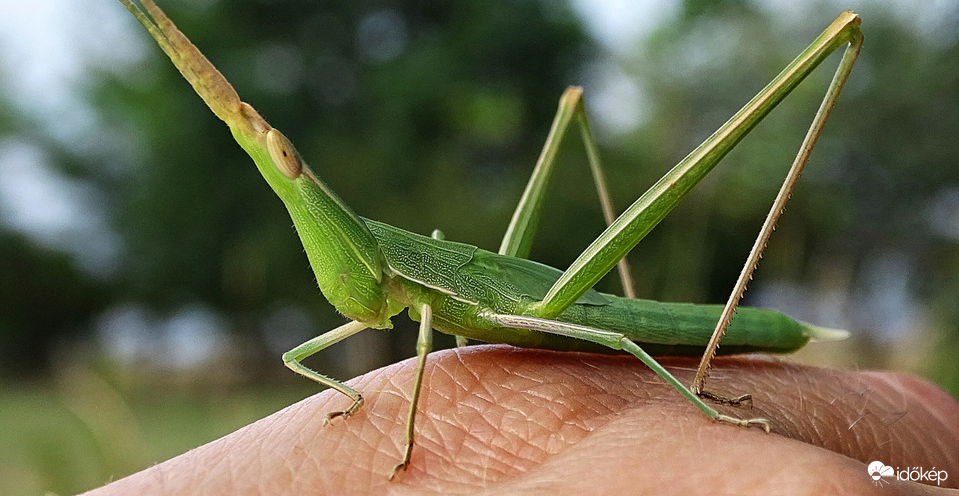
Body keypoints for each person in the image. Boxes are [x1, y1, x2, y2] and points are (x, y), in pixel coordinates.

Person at [84, 346, 959, 494]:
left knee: (621, 333)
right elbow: (301, 358)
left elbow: (428, 349)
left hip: (558, 303)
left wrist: (699, 399)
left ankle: (694, 387)